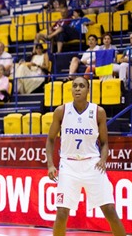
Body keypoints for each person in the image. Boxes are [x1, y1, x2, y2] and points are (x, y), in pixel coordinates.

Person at [45, 77, 126, 236]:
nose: (77, 89)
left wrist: (103, 159)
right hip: (68, 165)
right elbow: (50, 139)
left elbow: (104, 143)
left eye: (82, 86)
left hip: (92, 164)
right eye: (74, 86)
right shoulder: (61, 111)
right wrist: (50, 164)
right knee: (61, 213)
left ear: (88, 90)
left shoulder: (98, 112)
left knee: (109, 210)